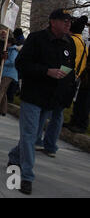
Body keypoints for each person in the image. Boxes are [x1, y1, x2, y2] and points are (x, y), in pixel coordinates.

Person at [8, 8, 76, 195]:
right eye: (64, 20)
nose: (68, 24)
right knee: (30, 136)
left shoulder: (69, 43)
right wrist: (46, 71)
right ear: (53, 21)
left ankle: (14, 156)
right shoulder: (37, 39)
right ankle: (27, 177)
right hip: (33, 96)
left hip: (51, 99)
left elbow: (71, 70)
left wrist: (66, 94)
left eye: (69, 21)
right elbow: (21, 64)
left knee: (33, 135)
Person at [35, 15, 88, 156]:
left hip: (61, 80)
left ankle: (37, 140)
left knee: (45, 111)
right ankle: (51, 146)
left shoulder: (70, 41)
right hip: (73, 82)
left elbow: (65, 61)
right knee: (58, 116)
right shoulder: (83, 44)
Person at [0, 37, 19, 117]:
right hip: (6, 72)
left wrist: (4, 61)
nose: (6, 44)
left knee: (1, 89)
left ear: (10, 43)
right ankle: (3, 110)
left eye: (7, 43)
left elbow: (13, 61)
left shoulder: (14, 50)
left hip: (10, 73)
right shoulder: (9, 50)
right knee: (4, 92)